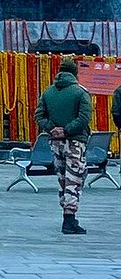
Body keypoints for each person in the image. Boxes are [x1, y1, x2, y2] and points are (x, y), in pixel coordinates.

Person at [35, 57, 91, 235]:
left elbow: (39, 115)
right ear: (75, 73)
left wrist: (52, 129)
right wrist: (66, 130)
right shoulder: (81, 93)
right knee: (74, 179)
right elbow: (84, 118)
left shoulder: (48, 92)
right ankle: (69, 219)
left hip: (55, 143)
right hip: (75, 141)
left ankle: (66, 213)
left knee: (62, 178)